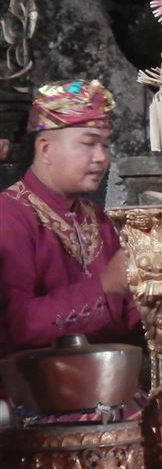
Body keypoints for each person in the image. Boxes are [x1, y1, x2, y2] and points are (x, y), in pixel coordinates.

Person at [0, 79, 142, 425]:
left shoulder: (97, 219)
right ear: (45, 147)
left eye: (105, 145)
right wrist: (103, 287)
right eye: (88, 144)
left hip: (100, 389)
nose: (101, 157)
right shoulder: (9, 215)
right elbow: (15, 326)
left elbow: (126, 314)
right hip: (32, 394)